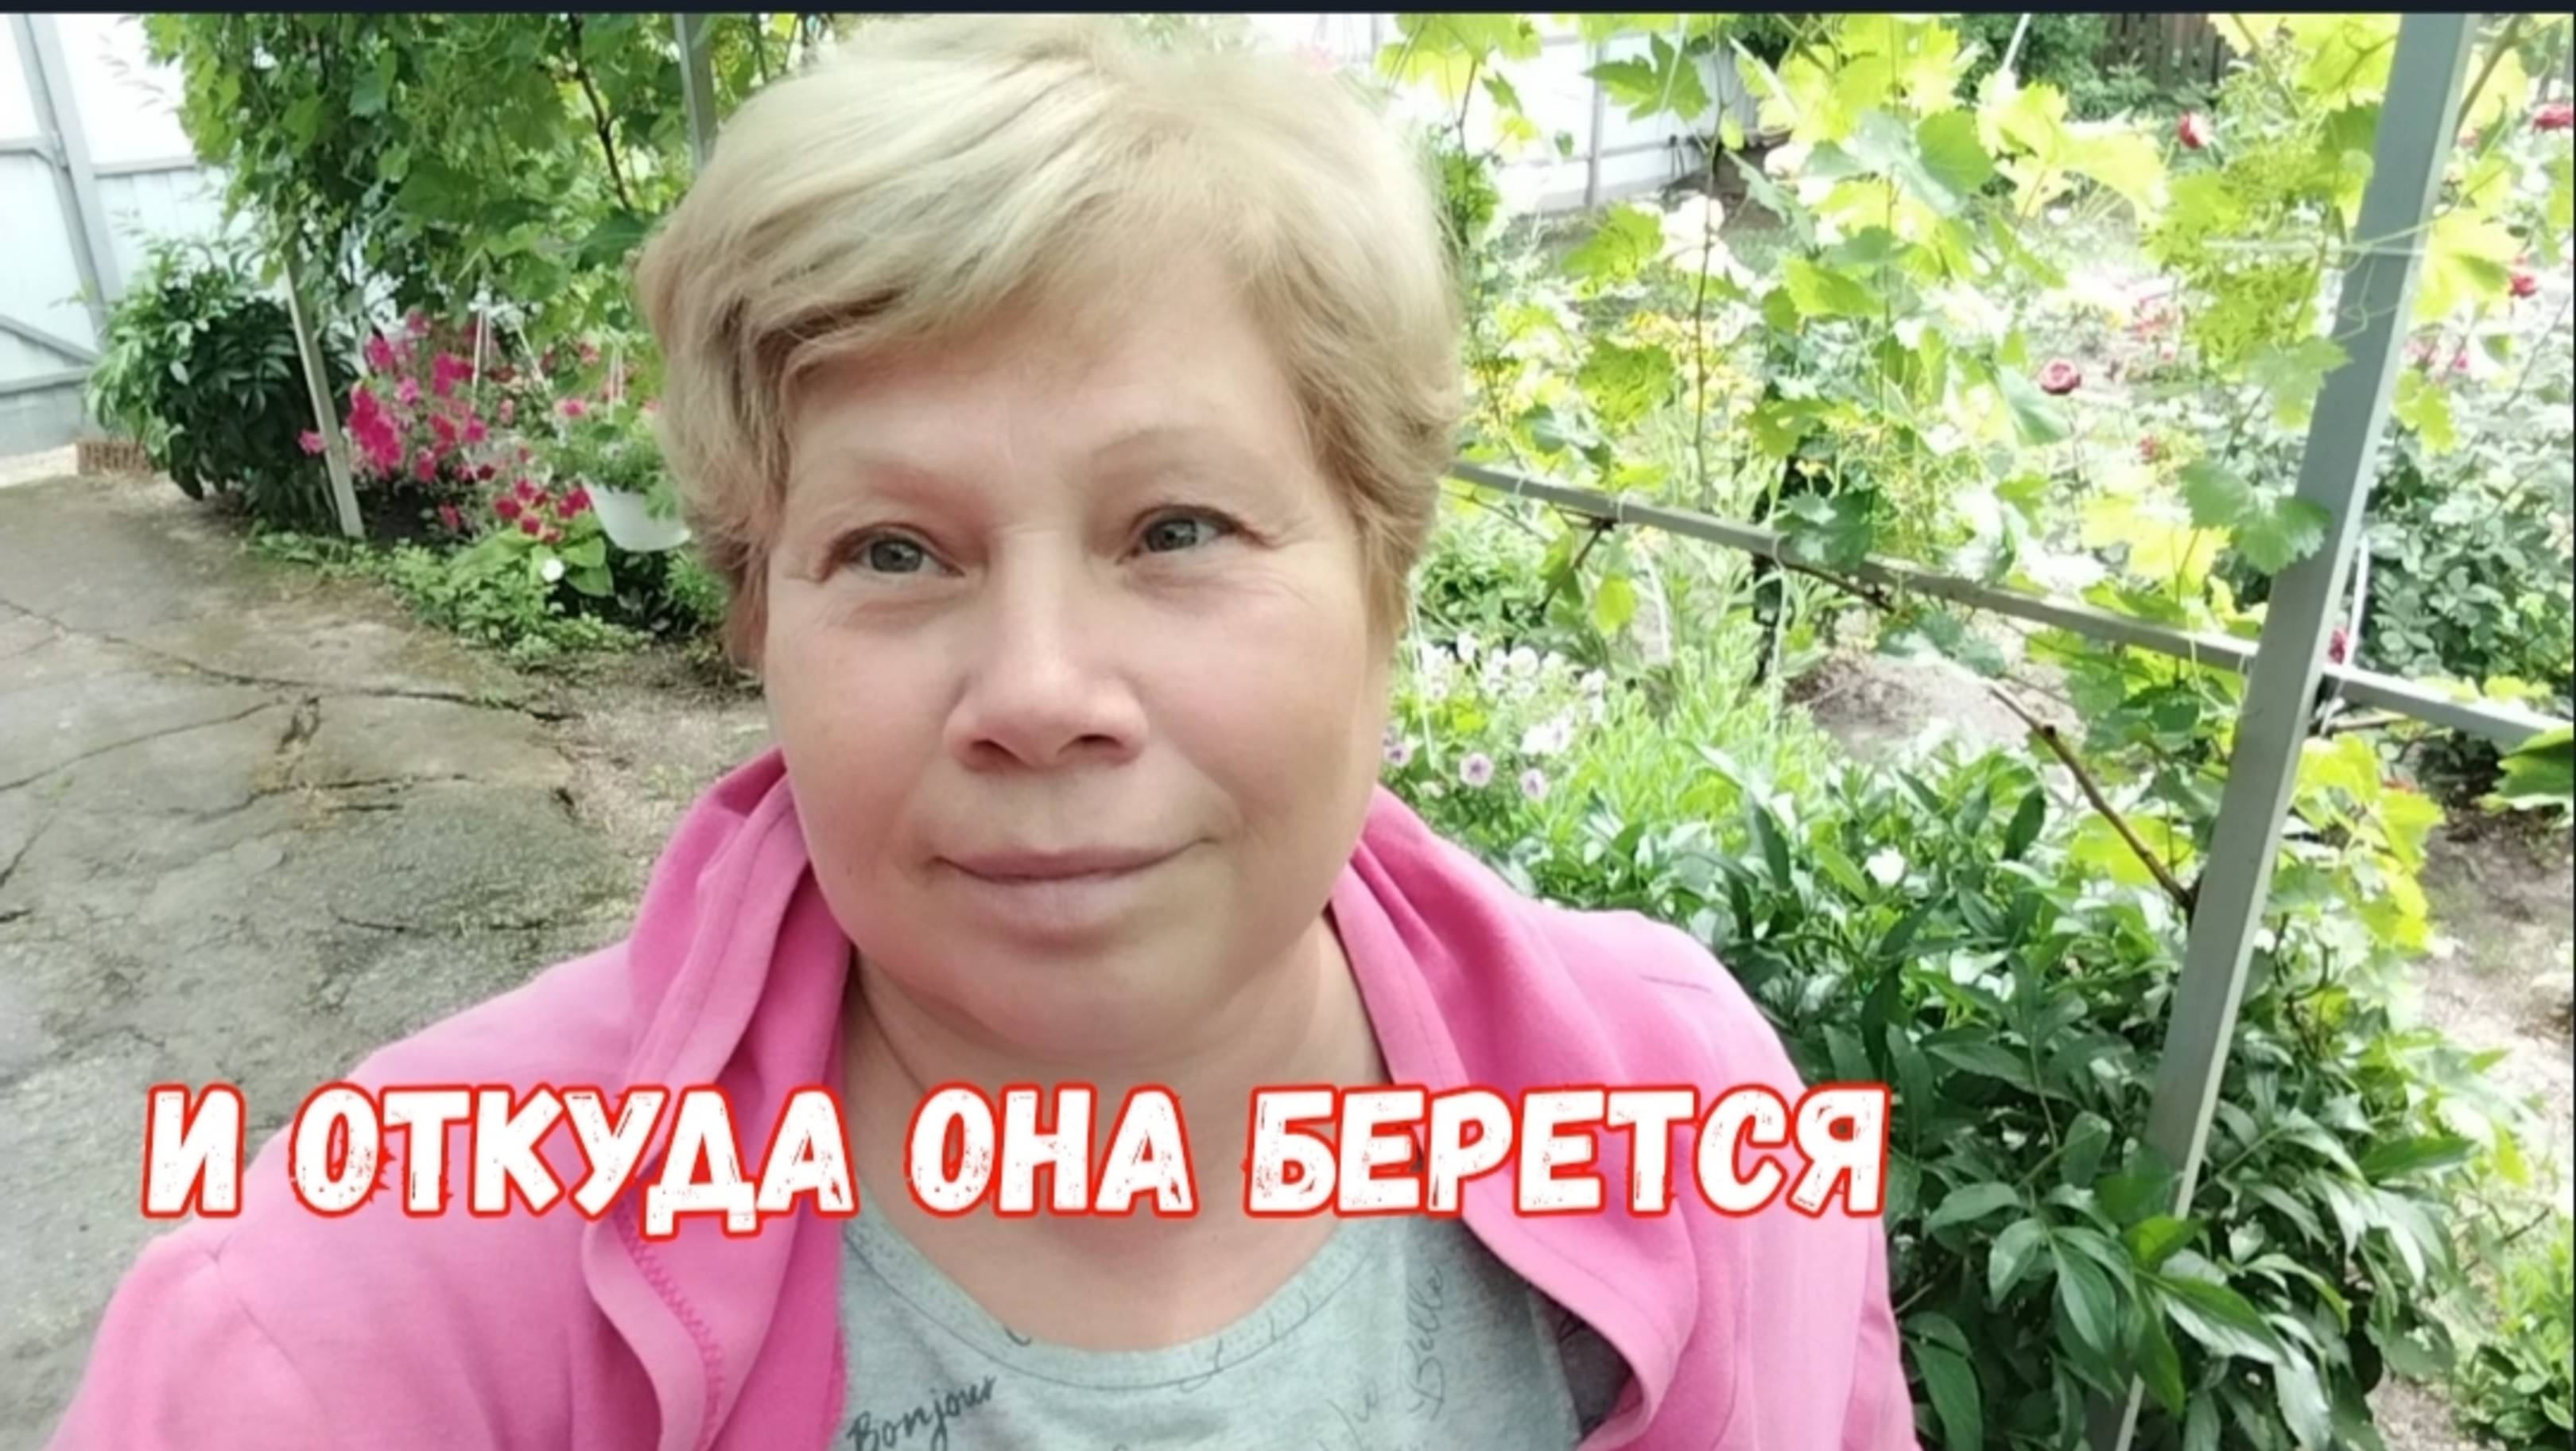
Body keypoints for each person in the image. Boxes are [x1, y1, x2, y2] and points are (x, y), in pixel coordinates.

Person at [48, 15, 1912, 1449]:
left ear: (1383, 579)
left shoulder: (1698, 1113)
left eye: (1176, 528)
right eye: (894, 550)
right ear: (759, 615)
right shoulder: (351, 1327)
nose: (1037, 690)